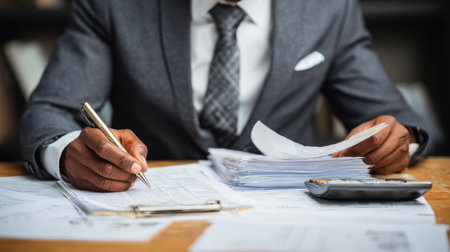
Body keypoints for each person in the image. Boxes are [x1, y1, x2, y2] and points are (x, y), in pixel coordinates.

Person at [19, 0, 430, 192]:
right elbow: (50, 111)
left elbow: (399, 120)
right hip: (148, 212)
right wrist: (66, 153)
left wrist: (400, 142)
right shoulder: (115, 6)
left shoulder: (327, 9)